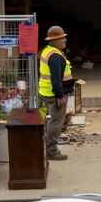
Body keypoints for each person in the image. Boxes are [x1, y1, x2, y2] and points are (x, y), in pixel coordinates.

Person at [37, 25, 73, 162]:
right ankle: (52, 151)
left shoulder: (48, 51)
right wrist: (60, 96)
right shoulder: (55, 56)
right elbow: (56, 79)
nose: (65, 40)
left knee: (49, 121)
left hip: (46, 92)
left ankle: (47, 147)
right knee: (55, 122)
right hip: (55, 94)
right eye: (62, 38)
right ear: (55, 40)